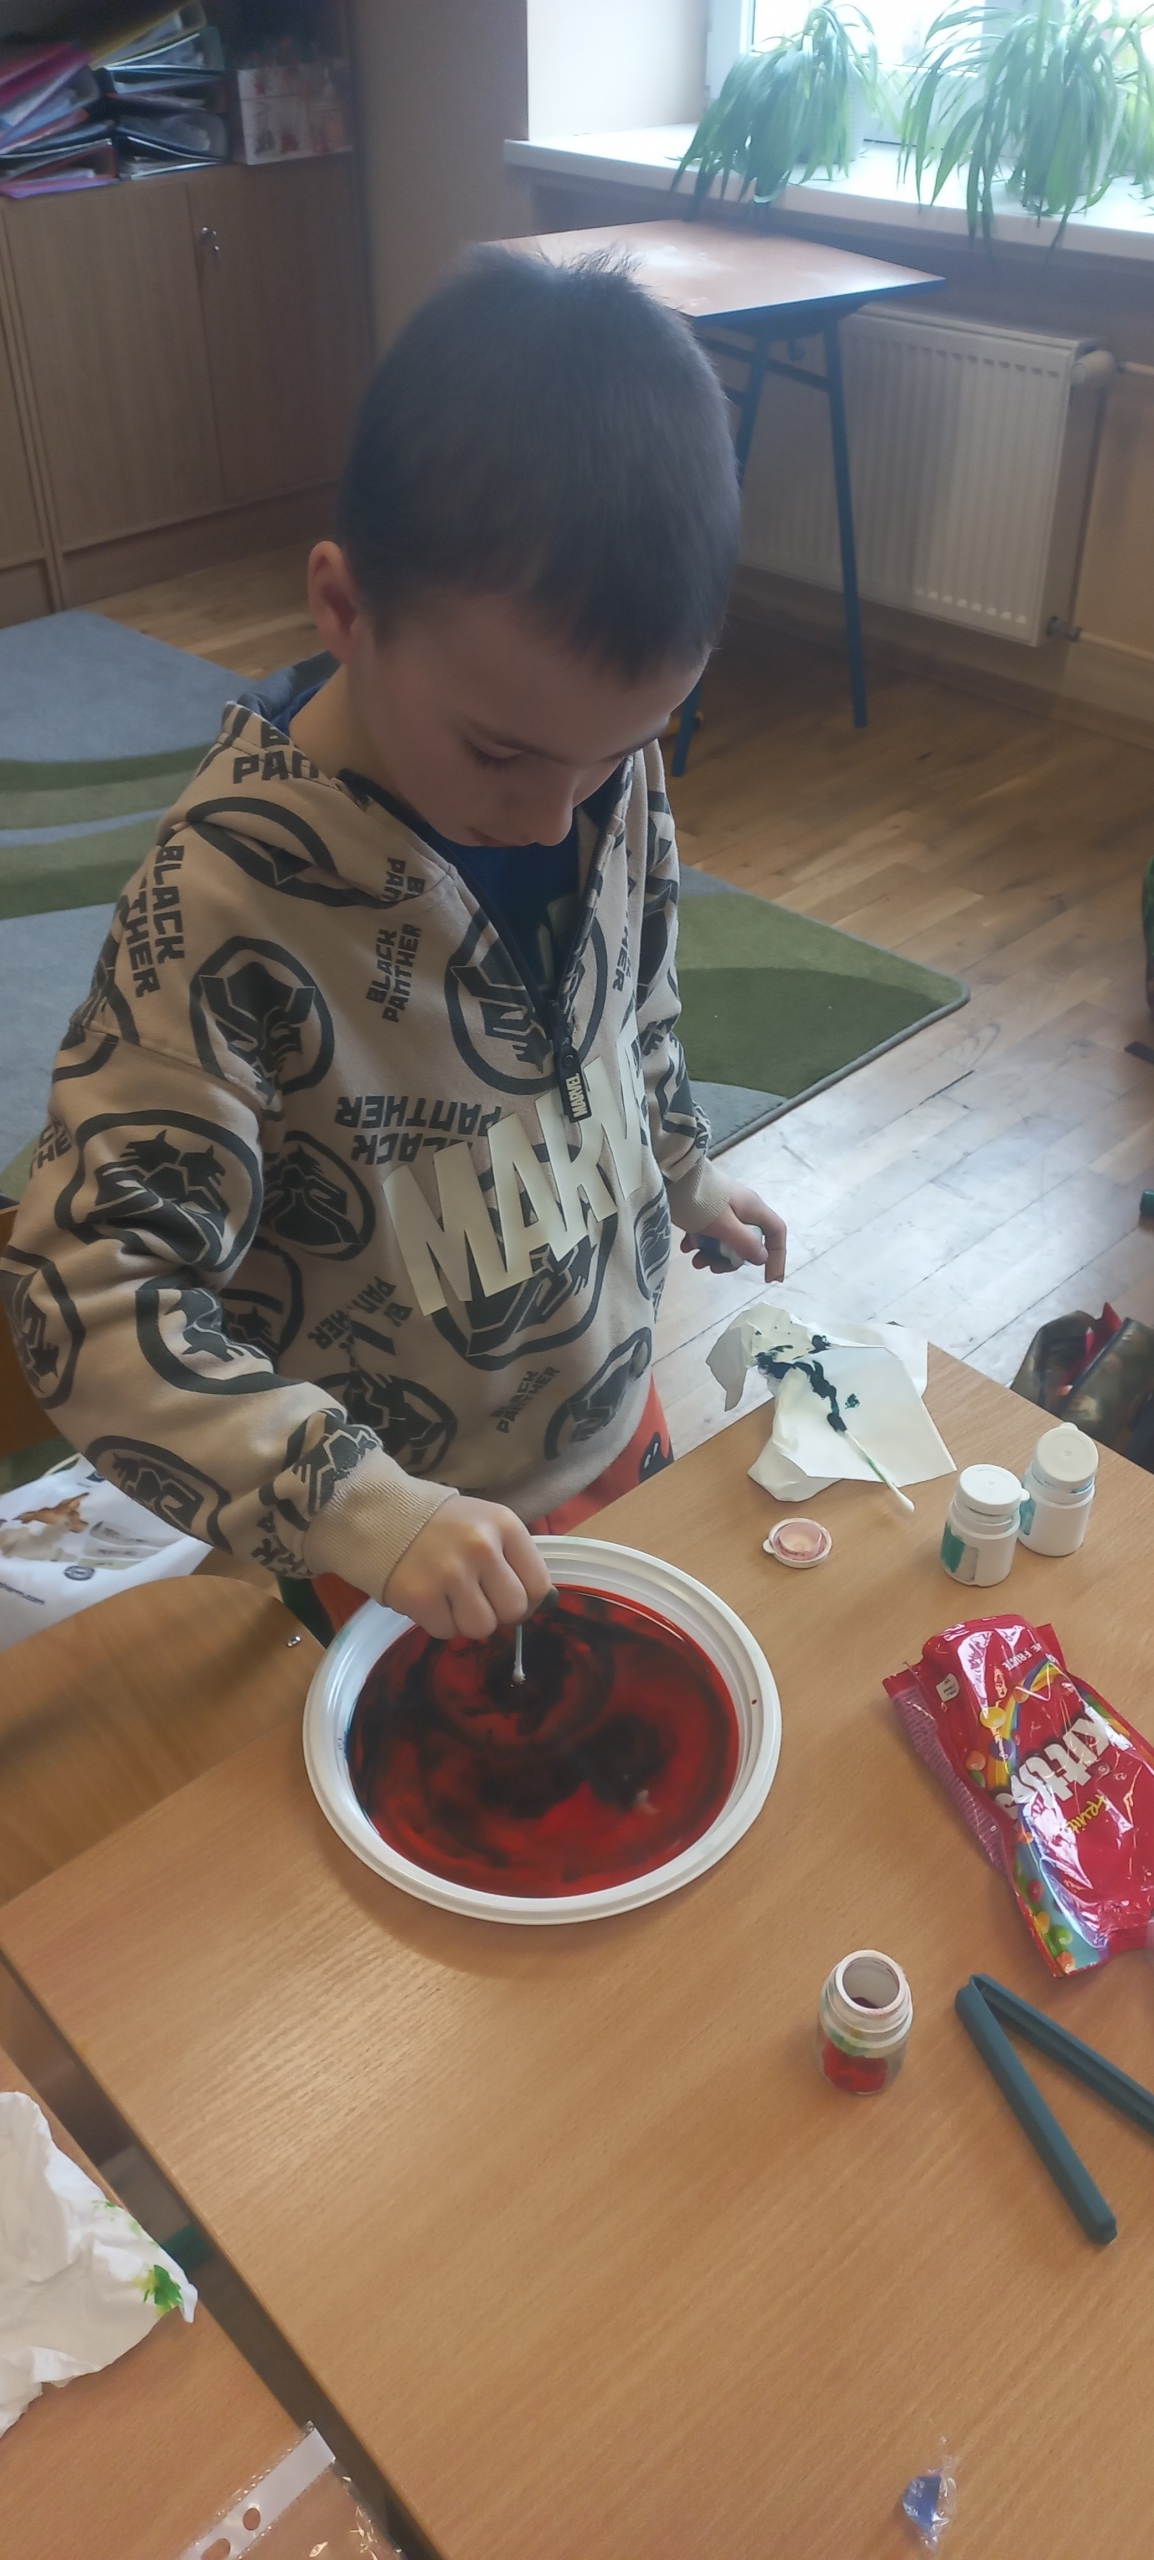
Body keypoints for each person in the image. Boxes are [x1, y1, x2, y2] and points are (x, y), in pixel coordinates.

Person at [1, 248, 786, 1645]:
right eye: (500, 753)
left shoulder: (588, 766)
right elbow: (89, 1296)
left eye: (621, 752)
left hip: (619, 1424)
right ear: (345, 608)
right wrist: (360, 1509)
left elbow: (633, 1008)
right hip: (391, 1548)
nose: (555, 817)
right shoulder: (222, 908)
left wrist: (682, 1165)